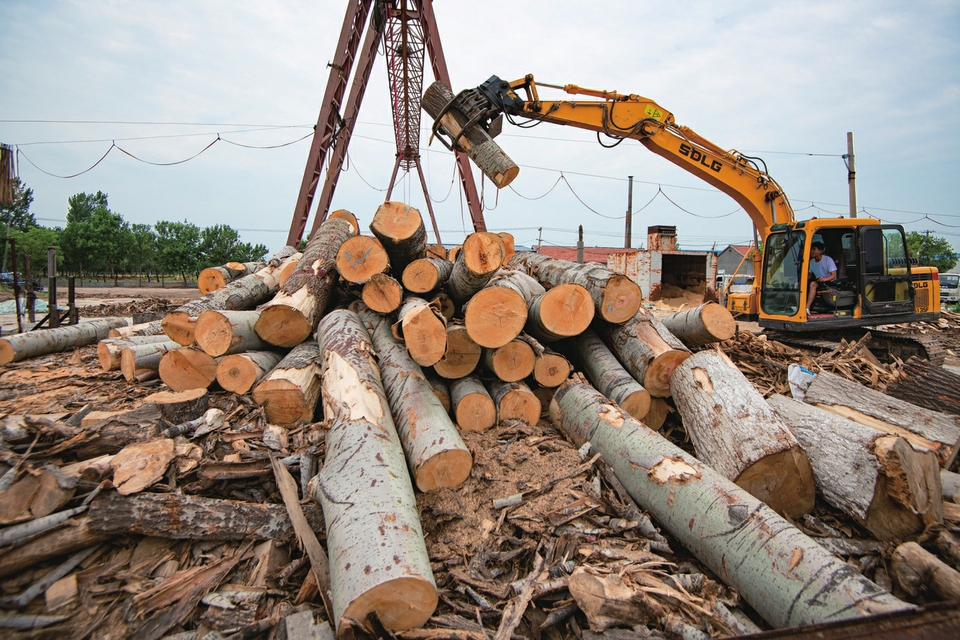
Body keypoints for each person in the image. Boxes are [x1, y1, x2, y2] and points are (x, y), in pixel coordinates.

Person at [806, 241, 837, 313]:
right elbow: (810, 275)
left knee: (813, 284)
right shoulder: (812, 262)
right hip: (819, 281)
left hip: (829, 281)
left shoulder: (828, 260)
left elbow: (833, 276)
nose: (811, 251)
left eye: (814, 249)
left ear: (820, 251)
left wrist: (824, 279)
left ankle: (807, 307)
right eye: (811, 249)